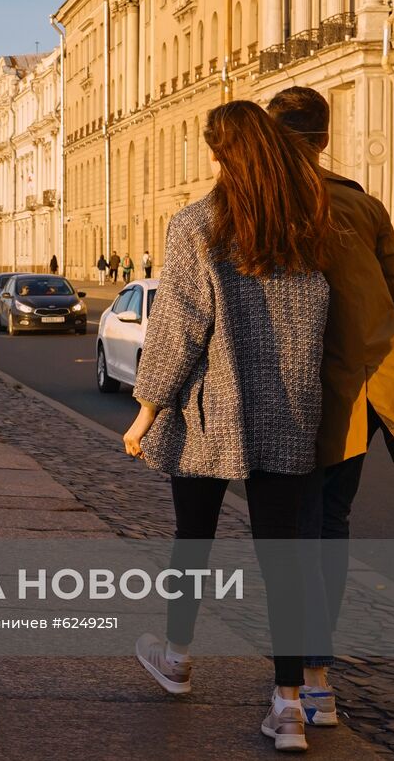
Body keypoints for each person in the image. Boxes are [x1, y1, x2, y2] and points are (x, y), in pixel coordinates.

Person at [122, 100, 334, 753]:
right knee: (285, 557)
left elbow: (180, 325)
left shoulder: (198, 223)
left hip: (212, 412)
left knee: (193, 539)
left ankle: (178, 655)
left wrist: (146, 410)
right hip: (291, 412)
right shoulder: (304, 222)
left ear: (224, 154)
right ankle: (289, 703)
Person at [267, 86, 394, 727]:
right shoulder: (362, 206)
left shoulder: (255, 207)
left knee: (288, 536)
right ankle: (317, 684)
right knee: (330, 530)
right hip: (354, 397)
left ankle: (286, 694)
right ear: (326, 140)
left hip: (281, 397)